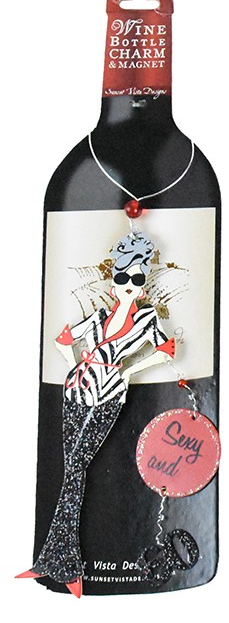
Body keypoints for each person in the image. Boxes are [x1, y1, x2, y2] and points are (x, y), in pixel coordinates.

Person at [17, 231, 176, 596]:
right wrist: (75, 365)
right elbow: (63, 340)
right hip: (76, 390)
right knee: (73, 468)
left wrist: (128, 370)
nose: (129, 284)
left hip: (109, 395)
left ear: (143, 284)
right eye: (123, 276)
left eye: (137, 278)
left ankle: (63, 565)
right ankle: (56, 562)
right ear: (114, 280)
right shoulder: (99, 316)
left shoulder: (146, 318)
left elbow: (166, 349)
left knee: (76, 467)